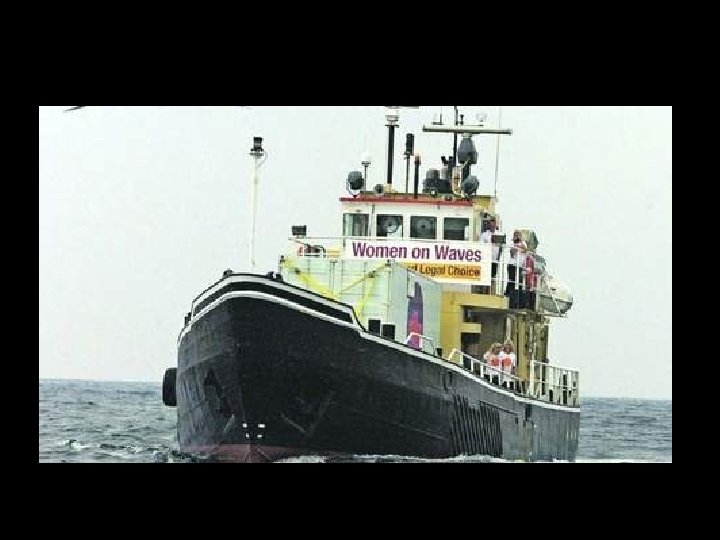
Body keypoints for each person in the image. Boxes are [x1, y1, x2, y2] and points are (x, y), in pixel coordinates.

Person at [505, 230, 528, 304]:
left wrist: (519, 245)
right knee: (511, 280)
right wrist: (515, 247)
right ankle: (508, 295)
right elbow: (512, 253)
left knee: (520, 281)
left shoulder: (523, 243)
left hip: (520, 265)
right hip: (512, 264)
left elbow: (525, 250)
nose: (517, 237)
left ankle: (519, 298)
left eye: (518, 235)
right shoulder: (512, 243)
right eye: (515, 235)